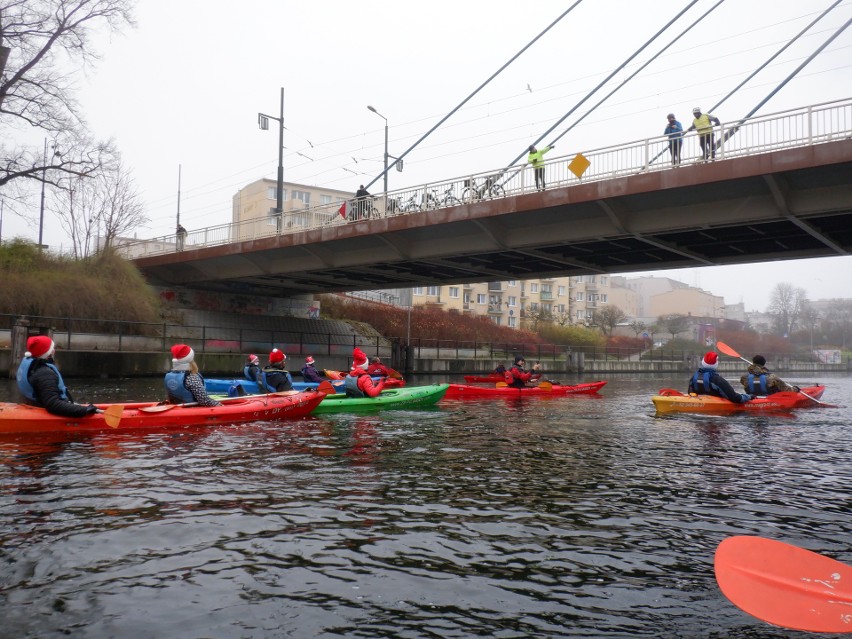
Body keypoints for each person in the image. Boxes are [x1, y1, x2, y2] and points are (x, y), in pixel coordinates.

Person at [16, 335, 103, 417]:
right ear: (48, 353)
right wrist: (84, 411)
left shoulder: (33, 366)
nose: (54, 350)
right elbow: (53, 404)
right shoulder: (45, 374)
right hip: (46, 411)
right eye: (52, 348)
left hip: (35, 405)